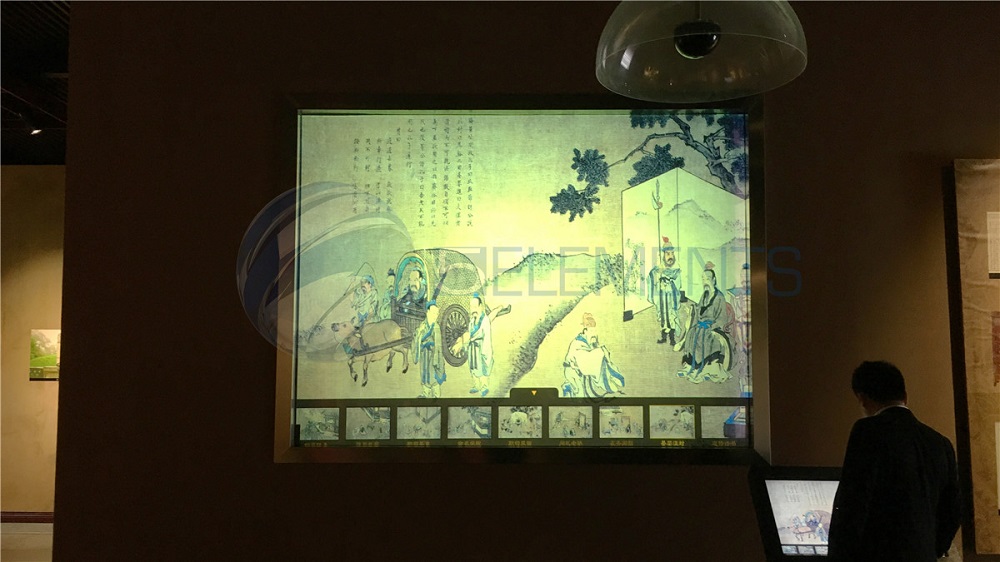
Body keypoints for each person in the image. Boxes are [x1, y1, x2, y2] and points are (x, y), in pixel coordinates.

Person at [828, 360, 961, 562]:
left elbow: (852, 504)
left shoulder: (867, 431)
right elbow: (953, 510)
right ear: (905, 396)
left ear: (862, 399)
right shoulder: (940, 443)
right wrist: (932, 549)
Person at [674, 263, 731, 383]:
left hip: (713, 327)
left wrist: (712, 327)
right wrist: (693, 310)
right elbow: (699, 310)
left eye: (708, 279)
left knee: (706, 337)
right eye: (703, 279)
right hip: (701, 325)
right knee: (692, 333)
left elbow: (722, 318)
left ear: (714, 280)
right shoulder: (704, 295)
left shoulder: (719, 297)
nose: (705, 281)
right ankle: (691, 367)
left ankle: (708, 369)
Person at [562, 312, 624, 398]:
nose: (594, 333)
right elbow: (585, 358)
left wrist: (605, 355)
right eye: (591, 330)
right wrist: (600, 352)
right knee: (579, 395)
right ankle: (567, 388)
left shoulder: (590, 341)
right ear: (585, 330)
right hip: (572, 372)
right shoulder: (577, 342)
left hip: (580, 372)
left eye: (594, 330)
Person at [450, 294, 493, 397]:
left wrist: (485, 352)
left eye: (475, 307)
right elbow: (469, 335)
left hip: (481, 348)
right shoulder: (472, 322)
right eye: (471, 307)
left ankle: (484, 387)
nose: (473, 310)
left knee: (482, 368)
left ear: (481, 306)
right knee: (473, 367)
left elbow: (485, 337)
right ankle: (476, 385)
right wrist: (465, 345)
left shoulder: (485, 320)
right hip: (473, 348)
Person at [647, 237, 682, 345]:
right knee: (663, 316)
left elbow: (678, 284)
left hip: (671, 297)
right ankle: (663, 337)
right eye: (667, 254)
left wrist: (670, 281)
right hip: (662, 297)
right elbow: (652, 278)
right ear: (663, 255)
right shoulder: (659, 268)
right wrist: (658, 277)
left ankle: (672, 339)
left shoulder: (676, 269)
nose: (670, 256)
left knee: (671, 316)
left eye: (672, 254)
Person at [411, 301, 445, 398]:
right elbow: (417, 337)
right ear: (428, 312)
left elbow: (438, 346)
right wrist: (421, 338)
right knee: (424, 374)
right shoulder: (423, 325)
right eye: (433, 313)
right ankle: (425, 394)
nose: (435, 315)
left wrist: (432, 347)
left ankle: (436, 396)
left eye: (437, 313)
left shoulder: (436, 327)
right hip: (424, 354)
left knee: (434, 376)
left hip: (433, 356)